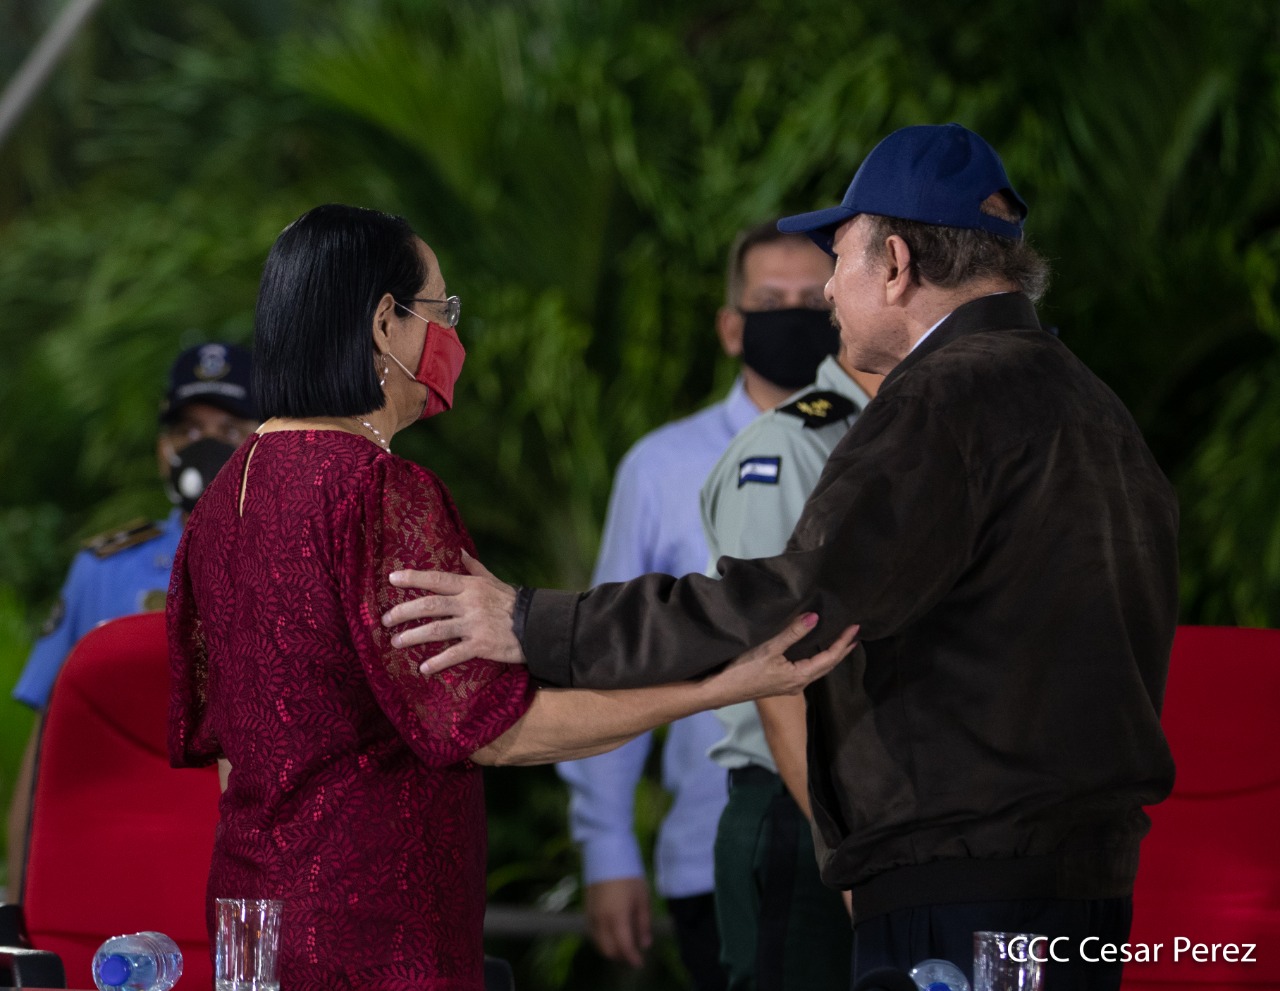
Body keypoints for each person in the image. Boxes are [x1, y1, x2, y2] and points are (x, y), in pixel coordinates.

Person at [380, 124, 1180, 991]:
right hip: (1087, 887)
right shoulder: (1093, 405)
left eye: (838, 259)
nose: (827, 289)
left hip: (961, 888)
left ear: (897, 263)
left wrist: (532, 622)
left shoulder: (942, 401)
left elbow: (791, 605)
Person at [165, 203, 856, 991]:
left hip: (253, 914)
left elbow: (228, 751)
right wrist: (719, 685)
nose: (450, 334)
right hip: (376, 927)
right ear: (386, 323)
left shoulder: (225, 496)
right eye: (441, 309)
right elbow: (495, 730)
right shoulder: (378, 490)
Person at [556, 218, 837, 990]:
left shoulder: (888, 443)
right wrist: (608, 847)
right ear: (731, 326)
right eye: (771, 301)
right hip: (718, 841)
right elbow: (614, 655)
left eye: (813, 301)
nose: (793, 317)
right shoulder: (662, 466)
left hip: (876, 838)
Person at [4, 341, 257, 901]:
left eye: (229, 429)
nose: (206, 446)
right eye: (188, 431)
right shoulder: (103, 569)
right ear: (163, 450)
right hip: (116, 859)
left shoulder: (293, 564)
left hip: (240, 863)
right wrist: (20, 902)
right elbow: (48, 746)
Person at [703, 339, 880, 990]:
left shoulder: (910, 432)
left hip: (876, 814)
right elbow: (776, 674)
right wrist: (852, 858)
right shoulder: (790, 447)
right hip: (807, 809)